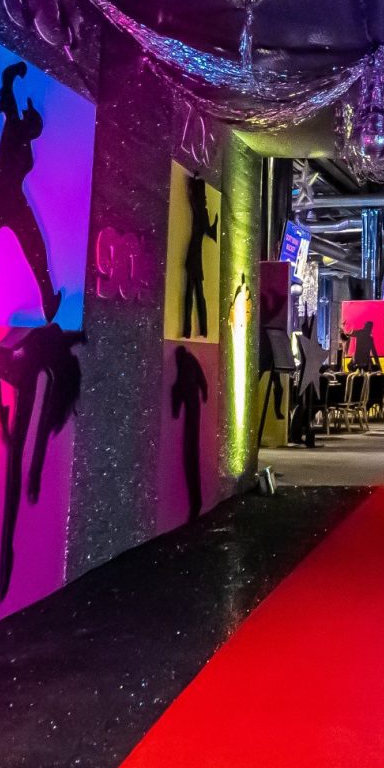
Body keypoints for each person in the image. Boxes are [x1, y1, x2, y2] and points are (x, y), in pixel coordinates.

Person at [0, 321, 83, 601]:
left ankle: (32, 485)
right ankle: (8, 553)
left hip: (38, 374)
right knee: (23, 446)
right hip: (33, 373)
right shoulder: (35, 353)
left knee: (28, 441)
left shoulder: (43, 359)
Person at [0, 62, 59, 321]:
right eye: (33, 123)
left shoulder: (26, 143)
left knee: (36, 251)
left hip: (14, 199)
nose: (33, 127)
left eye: (35, 126)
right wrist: (11, 76)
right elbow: (8, 97)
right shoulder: (14, 124)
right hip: (0, 196)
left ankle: (48, 302)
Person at [170, 347, 208, 517]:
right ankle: (196, 503)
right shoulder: (190, 361)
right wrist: (204, 392)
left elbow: (179, 387)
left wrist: (175, 410)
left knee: (190, 452)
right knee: (192, 451)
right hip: (194, 407)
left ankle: (196, 504)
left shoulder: (184, 365)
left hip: (191, 409)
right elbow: (201, 379)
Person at [178, 176, 216, 338]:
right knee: (197, 295)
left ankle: (191, 330)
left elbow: (206, 229)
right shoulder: (202, 210)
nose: (206, 199)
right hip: (195, 256)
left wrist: (193, 185)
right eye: (205, 196)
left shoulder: (199, 209)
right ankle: (202, 329)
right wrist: (215, 223)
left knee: (192, 294)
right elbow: (209, 231)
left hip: (193, 254)